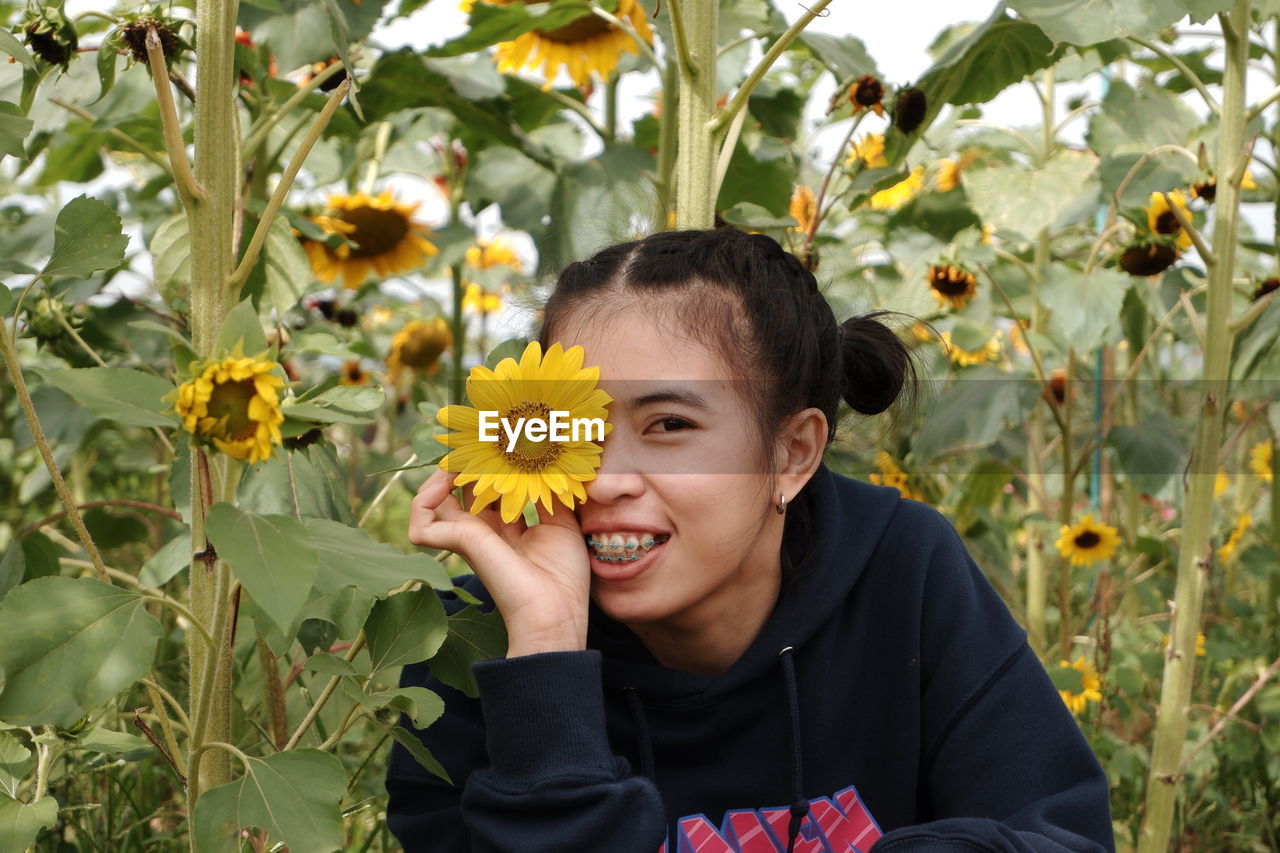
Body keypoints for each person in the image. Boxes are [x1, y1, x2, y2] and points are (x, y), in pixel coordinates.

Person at [385, 227, 1116, 853]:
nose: (605, 480)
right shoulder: (478, 638)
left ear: (793, 453)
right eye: (572, 431)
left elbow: (1060, 831)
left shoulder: (903, 570)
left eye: (669, 425)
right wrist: (545, 650)